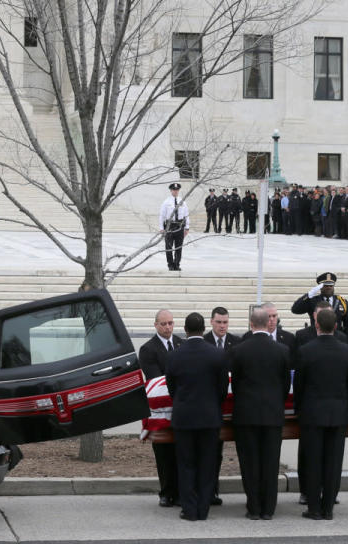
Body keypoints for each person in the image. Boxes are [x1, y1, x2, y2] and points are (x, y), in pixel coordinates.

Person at [166, 312, 228, 522]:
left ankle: (189, 509)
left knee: (186, 464)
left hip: (184, 417)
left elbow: (171, 388)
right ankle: (203, 508)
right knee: (207, 463)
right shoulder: (217, 355)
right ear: (204, 330)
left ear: (185, 329)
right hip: (209, 417)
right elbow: (222, 389)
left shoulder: (174, 355)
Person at [230, 307, 291, 520]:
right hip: (273, 414)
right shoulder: (282, 350)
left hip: (246, 414)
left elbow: (235, 384)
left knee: (250, 463)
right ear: (268, 323)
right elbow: (286, 384)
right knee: (270, 462)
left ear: (251, 324)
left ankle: (254, 508)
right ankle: (268, 509)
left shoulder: (238, 350)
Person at [293, 308, 348, 521]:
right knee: (333, 461)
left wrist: (299, 408)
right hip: (338, 412)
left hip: (312, 412)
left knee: (313, 460)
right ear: (335, 327)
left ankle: (314, 507)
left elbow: (298, 384)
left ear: (316, 325)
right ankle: (328, 507)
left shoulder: (306, 350)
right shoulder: (346, 350)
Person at [137, 309, 184, 507]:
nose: (167, 327)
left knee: (181, 452)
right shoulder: (148, 349)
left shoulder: (182, 344)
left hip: (181, 407)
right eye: (163, 324)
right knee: (164, 453)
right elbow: (157, 379)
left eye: (170, 323)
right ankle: (166, 492)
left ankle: (181, 492)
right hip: (161, 409)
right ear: (156, 325)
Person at [202, 306, 236, 505]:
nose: (223, 326)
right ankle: (207, 491)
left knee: (218, 453)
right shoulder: (204, 342)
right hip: (208, 405)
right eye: (219, 322)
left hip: (227, 407)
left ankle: (212, 490)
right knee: (208, 452)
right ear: (211, 322)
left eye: (225, 322)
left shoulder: (236, 343)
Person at [291, 272, 348, 344]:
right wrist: (308, 295)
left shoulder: (342, 302)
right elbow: (295, 309)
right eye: (325, 285)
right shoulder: (313, 301)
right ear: (320, 287)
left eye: (331, 285)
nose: (329, 287)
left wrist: (347, 343)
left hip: (337, 340)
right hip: (316, 339)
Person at [159, 182, 190, 271]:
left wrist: (187, 227)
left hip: (180, 226)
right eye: (174, 190)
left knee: (178, 247)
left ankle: (177, 264)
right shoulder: (166, 202)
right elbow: (162, 215)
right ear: (171, 190)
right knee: (169, 247)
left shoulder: (182, 201)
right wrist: (161, 228)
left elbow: (186, 214)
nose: (175, 191)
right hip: (169, 225)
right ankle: (170, 265)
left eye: (177, 190)